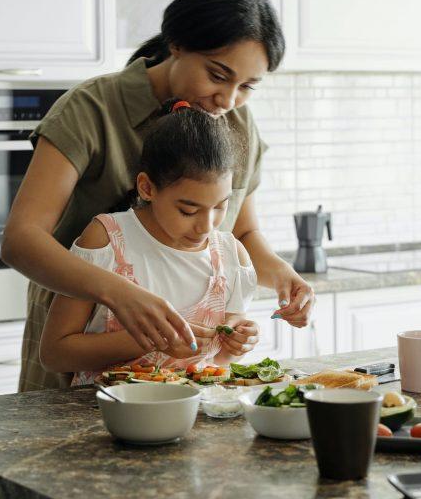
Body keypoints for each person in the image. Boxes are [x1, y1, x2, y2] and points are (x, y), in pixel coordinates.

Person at [1, 0, 315, 392]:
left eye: (247, 87)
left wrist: (283, 276)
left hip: (182, 376)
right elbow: (21, 239)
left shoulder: (236, 122)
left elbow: (241, 232)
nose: (228, 99)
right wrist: (120, 294)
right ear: (177, 44)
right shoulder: (92, 108)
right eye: (217, 75)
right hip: (79, 349)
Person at [40, 104, 260, 385]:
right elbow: (55, 354)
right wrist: (150, 340)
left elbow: (220, 362)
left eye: (220, 206)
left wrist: (238, 343)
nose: (207, 226)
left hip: (195, 415)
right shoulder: (107, 240)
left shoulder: (230, 255)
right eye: (188, 210)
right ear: (147, 188)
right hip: (105, 416)